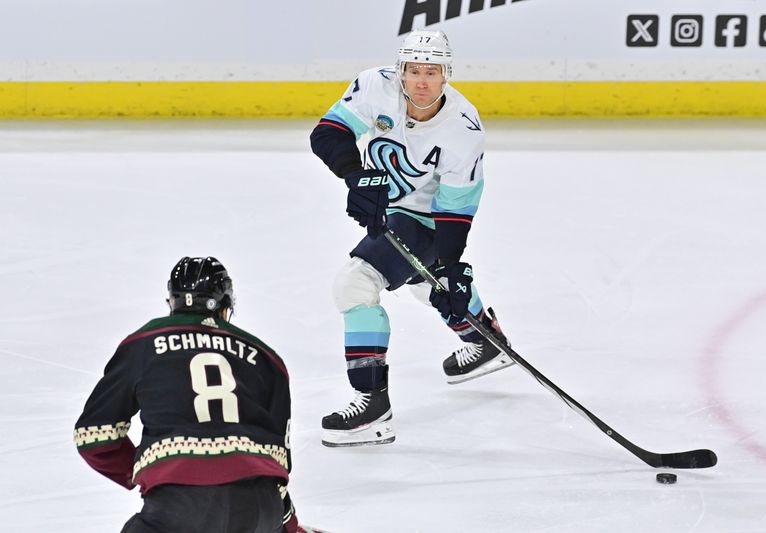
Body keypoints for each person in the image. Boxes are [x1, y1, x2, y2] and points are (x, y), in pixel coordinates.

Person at [309, 30, 513, 448]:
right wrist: (356, 177)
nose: (421, 81)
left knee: (356, 285)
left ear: (446, 75)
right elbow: (327, 134)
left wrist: (454, 266)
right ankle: (484, 340)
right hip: (393, 204)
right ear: (401, 71)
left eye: (432, 72)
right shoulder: (374, 86)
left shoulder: (463, 129)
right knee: (426, 283)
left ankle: (372, 408)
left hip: (429, 216)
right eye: (413, 70)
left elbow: (455, 211)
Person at [74, 257, 323, 533]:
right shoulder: (267, 358)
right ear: (225, 308)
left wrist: (149, 472)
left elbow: (94, 436)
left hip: (181, 505)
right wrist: (290, 526)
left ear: (172, 302)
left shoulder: (143, 342)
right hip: (260, 509)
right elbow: (278, 462)